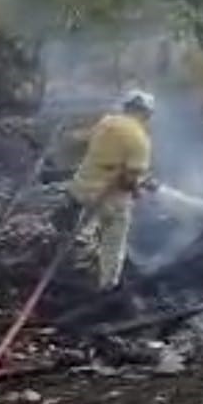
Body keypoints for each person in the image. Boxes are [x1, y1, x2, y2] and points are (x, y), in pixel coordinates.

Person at [68, 90, 157, 291]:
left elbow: (90, 147)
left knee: (87, 228)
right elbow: (127, 179)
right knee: (114, 239)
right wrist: (137, 191)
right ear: (147, 113)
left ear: (126, 107)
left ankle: (79, 261)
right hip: (109, 197)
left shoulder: (106, 122)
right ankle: (107, 285)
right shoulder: (139, 138)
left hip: (82, 189)